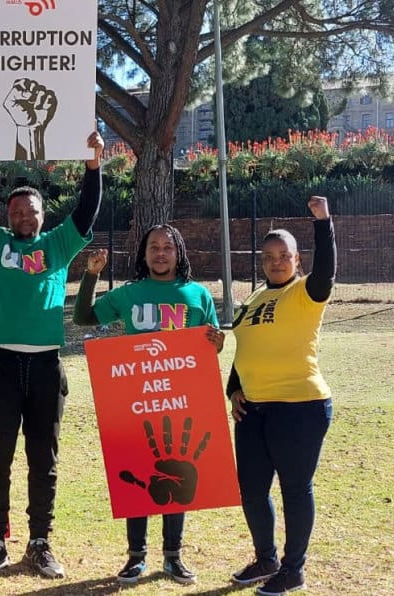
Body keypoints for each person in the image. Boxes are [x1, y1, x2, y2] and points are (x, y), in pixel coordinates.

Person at [0, 130, 103, 578]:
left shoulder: (57, 245)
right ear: (8, 215)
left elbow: (85, 210)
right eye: (16, 210)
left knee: (44, 458)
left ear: (42, 214)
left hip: (44, 366)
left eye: (31, 209)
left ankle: (40, 542)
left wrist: (93, 166)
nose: (23, 215)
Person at [73, 226, 225, 585]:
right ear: (143, 254)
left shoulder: (198, 295)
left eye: (167, 248)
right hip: (136, 400)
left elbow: (211, 344)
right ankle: (135, 557)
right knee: (139, 474)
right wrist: (91, 274)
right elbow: (83, 318)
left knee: (179, 470)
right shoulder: (129, 295)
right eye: (153, 247)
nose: (160, 253)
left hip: (181, 401)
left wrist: (217, 341)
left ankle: (173, 556)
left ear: (179, 253)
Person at [226, 196, 336, 596]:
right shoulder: (255, 296)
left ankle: (294, 568)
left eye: (283, 255)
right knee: (252, 489)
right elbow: (244, 347)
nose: (276, 261)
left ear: (296, 259)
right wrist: (233, 389)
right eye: (269, 255)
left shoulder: (306, 292)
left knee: (294, 488)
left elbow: (326, 269)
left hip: (300, 408)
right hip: (253, 410)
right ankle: (266, 558)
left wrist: (323, 223)